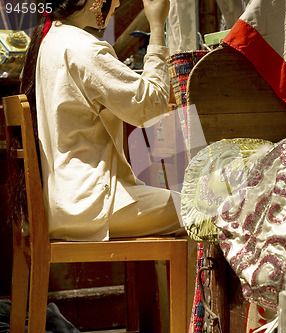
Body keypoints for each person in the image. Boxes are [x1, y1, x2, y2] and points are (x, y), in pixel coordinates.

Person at [20, 0, 185, 241]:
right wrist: (157, 27)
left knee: (187, 206)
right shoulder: (83, 49)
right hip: (89, 205)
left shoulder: (50, 39)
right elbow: (153, 107)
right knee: (203, 212)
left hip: (65, 202)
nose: (117, 3)